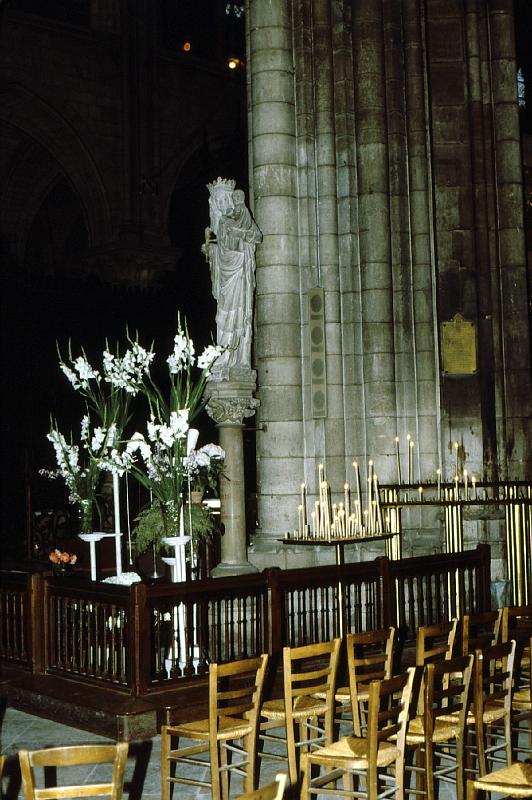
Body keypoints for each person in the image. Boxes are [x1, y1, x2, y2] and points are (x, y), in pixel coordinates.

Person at [202, 178, 262, 376]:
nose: (220, 204)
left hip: (238, 275)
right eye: (216, 201)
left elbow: (255, 236)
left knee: (238, 317)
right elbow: (218, 254)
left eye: (223, 199)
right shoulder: (219, 225)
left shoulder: (241, 218)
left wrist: (238, 234)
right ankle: (224, 354)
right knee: (222, 317)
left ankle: (237, 358)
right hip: (225, 279)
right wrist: (210, 250)